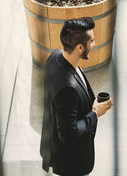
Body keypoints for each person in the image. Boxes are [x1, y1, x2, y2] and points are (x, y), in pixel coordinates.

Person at [40, 17, 113, 176]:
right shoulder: (67, 89)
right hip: (72, 162)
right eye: (91, 41)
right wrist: (95, 114)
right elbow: (68, 133)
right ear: (80, 47)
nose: (94, 44)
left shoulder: (55, 56)